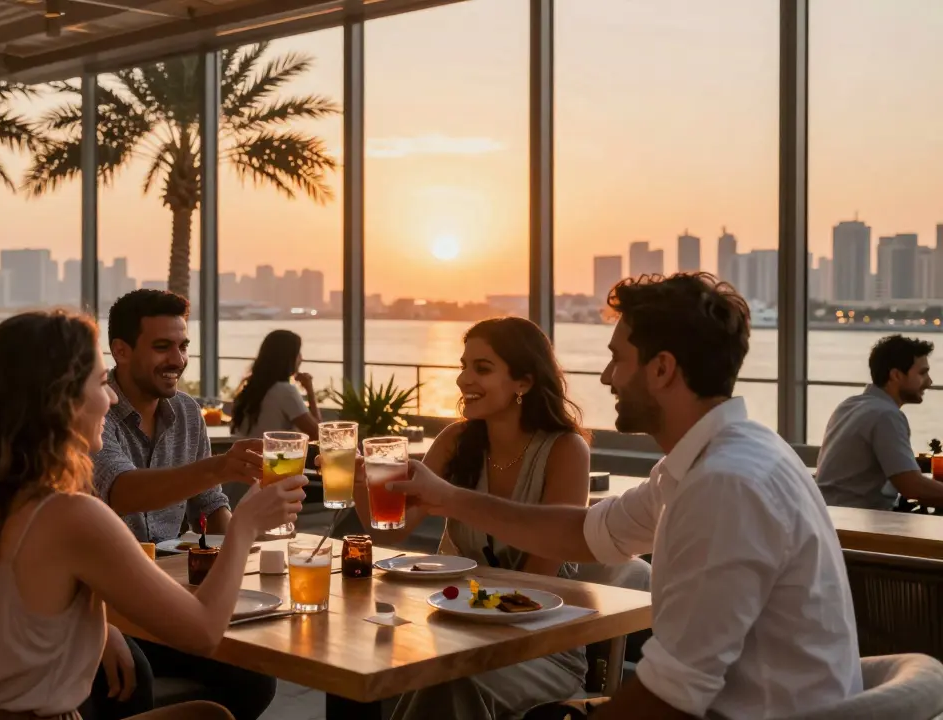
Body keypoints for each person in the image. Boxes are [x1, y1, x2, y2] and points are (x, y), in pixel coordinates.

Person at [392, 273, 860, 720]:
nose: (606, 377)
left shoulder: (726, 483)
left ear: (661, 369)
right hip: (728, 707)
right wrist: (448, 498)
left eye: (617, 358)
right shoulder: (716, 460)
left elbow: (672, 697)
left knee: (438, 686)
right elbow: (583, 532)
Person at [0, 310, 306, 720]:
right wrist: (245, 526)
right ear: (60, 400)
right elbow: (202, 633)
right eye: (100, 383)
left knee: (208, 714)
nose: (111, 397)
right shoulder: (68, 514)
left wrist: (106, 624)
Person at [340, 317, 590, 719]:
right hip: (457, 627)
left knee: (453, 681)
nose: (462, 379)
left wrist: (457, 622)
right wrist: (359, 480)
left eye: (482, 368)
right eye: (463, 366)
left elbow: (540, 577)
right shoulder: (455, 441)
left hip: (539, 644)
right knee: (366, 657)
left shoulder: (566, 450)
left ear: (523, 382)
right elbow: (392, 530)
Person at [92, 289, 279, 719]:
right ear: (120, 351)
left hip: (171, 594)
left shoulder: (187, 413)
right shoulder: (95, 412)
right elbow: (121, 489)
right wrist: (220, 466)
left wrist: (240, 562)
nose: (177, 359)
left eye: (182, 346)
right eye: (162, 347)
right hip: (114, 604)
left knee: (253, 672)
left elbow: (211, 505)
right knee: (132, 672)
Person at [815, 334, 943, 510]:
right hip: (859, 523)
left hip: (827, 515)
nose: (929, 382)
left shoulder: (849, 405)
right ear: (896, 375)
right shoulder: (886, 415)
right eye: (922, 373)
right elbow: (912, 486)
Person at [231, 329, 321, 439]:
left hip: (248, 454)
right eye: (298, 353)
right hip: (274, 455)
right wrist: (310, 390)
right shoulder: (285, 391)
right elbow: (318, 434)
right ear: (288, 358)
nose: (301, 358)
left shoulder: (251, 388)